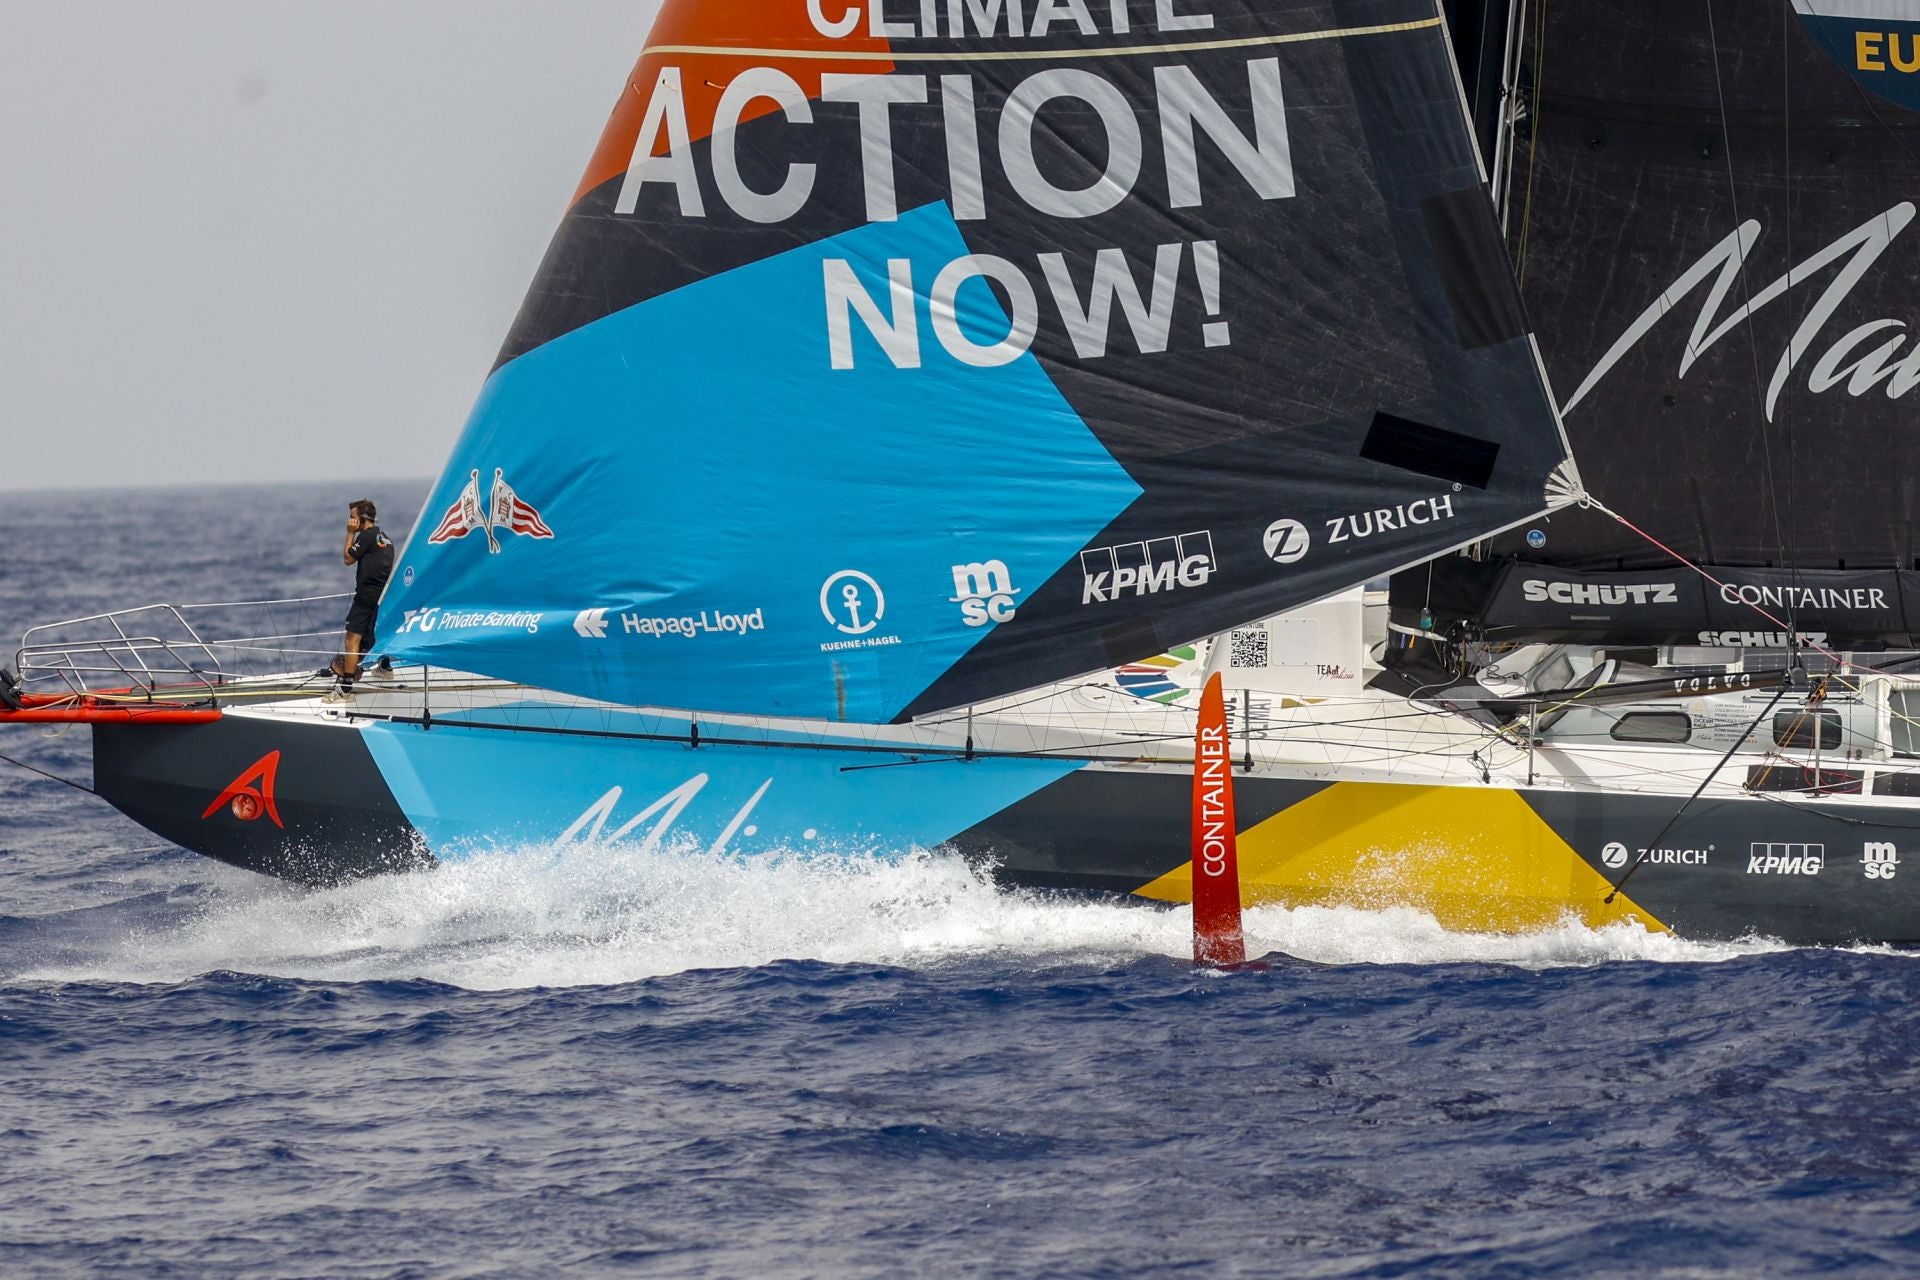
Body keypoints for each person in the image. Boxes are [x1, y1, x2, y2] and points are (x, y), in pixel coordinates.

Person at [331, 498, 394, 686]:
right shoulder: (385, 538)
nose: (350, 521)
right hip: (381, 596)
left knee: (352, 639)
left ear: (363, 519)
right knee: (375, 635)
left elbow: (348, 558)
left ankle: (346, 686)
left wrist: (350, 533)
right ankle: (384, 668)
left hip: (366, 597)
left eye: (352, 518)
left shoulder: (366, 536)